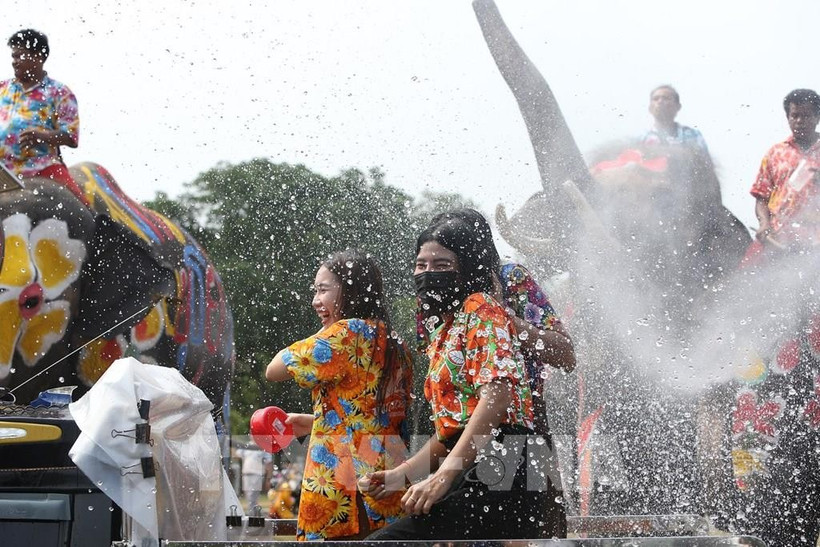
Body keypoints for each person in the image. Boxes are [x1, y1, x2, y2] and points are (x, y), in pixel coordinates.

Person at [362, 213, 566, 540]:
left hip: (513, 445)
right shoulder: (441, 320)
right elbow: (455, 422)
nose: (429, 274)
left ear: (471, 259)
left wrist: (504, 322)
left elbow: (506, 391)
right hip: (470, 451)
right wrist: (403, 475)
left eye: (442, 264)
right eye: (421, 264)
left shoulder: (491, 298)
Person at [265, 249, 413, 541]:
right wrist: (315, 422)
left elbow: (274, 369)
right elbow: (370, 415)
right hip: (389, 478)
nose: (315, 300)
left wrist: (325, 332)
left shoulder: (347, 332)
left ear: (350, 290)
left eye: (323, 290)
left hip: (345, 484)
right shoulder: (394, 341)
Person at [419, 208, 575, 437]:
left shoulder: (511, 278)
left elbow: (567, 355)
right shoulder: (431, 289)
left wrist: (503, 318)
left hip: (521, 426)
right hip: (450, 426)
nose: (431, 270)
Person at [0, 29, 86, 203]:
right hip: (4, 171)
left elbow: (71, 137)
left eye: (20, 56)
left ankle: (98, 220)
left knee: (80, 207)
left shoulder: (59, 92)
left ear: (39, 56)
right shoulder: (2, 89)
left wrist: (42, 137)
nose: (15, 62)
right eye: (13, 57)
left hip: (42, 168)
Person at [749, 88, 820, 252]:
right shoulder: (775, 153)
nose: (799, 121)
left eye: (806, 116)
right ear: (788, 117)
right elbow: (762, 197)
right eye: (795, 116)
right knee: (745, 265)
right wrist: (764, 224)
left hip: (816, 243)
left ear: (817, 117)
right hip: (778, 240)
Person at [641, 85, 709, 154]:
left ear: (678, 106)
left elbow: (705, 159)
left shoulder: (693, 135)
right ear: (650, 108)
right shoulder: (641, 138)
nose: (660, 101)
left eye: (666, 98)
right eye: (656, 99)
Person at [234, 445, 272, 509]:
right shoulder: (247, 446)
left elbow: (268, 463)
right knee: (248, 495)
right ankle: (252, 511)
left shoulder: (263, 447)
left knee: (253, 495)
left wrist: (268, 478)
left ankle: (253, 511)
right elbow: (236, 453)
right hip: (246, 474)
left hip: (257, 474)